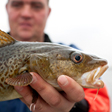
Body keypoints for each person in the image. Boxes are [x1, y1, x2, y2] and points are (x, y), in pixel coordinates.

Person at [0, 0, 110, 112]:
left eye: (37, 6)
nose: (26, 13)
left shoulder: (71, 51)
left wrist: (75, 107)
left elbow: (101, 105)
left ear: (48, 12)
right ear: (7, 9)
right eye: (17, 4)